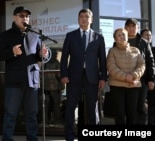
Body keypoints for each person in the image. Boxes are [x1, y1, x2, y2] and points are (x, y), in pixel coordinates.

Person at [0, 6, 48, 141]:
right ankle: (7, 139)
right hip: (14, 82)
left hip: (32, 81)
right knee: (11, 113)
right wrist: (12, 52)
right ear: (14, 17)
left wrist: (42, 55)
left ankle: (32, 138)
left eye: (27, 16)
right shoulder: (6, 35)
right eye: (21, 15)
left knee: (32, 114)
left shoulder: (35, 34)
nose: (25, 18)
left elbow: (38, 58)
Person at [60, 8, 107, 141]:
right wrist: (64, 74)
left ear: (91, 20)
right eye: (81, 16)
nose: (84, 19)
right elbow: (64, 58)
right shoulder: (71, 36)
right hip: (73, 77)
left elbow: (102, 59)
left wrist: (103, 77)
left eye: (87, 17)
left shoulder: (99, 37)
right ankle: (69, 136)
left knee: (93, 108)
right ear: (78, 19)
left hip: (92, 77)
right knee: (70, 107)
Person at [107, 28, 145, 124]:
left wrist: (134, 75)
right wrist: (125, 77)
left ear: (127, 37)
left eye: (123, 34)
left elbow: (142, 65)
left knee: (132, 114)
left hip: (133, 85)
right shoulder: (112, 51)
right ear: (115, 39)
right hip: (117, 86)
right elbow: (111, 67)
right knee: (119, 114)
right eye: (119, 35)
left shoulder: (135, 50)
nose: (122, 37)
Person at [124, 18, 155, 125]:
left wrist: (151, 79)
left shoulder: (144, 43)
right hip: (125, 79)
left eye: (134, 26)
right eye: (129, 26)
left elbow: (150, 61)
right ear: (125, 28)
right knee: (128, 108)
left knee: (140, 107)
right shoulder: (120, 41)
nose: (131, 28)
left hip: (142, 80)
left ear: (137, 27)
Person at [43, 49, 65, 127]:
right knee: (56, 106)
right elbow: (59, 75)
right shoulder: (56, 63)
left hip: (45, 88)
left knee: (46, 106)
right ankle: (57, 122)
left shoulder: (44, 63)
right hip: (55, 87)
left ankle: (45, 122)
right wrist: (62, 86)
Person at [141, 28, 155, 125]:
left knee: (152, 106)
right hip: (141, 81)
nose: (149, 37)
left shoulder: (154, 49)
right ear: (141, 37)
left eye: (150, 35)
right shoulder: (139, 49)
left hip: (152, 81)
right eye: (146, 35)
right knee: (140, 105)